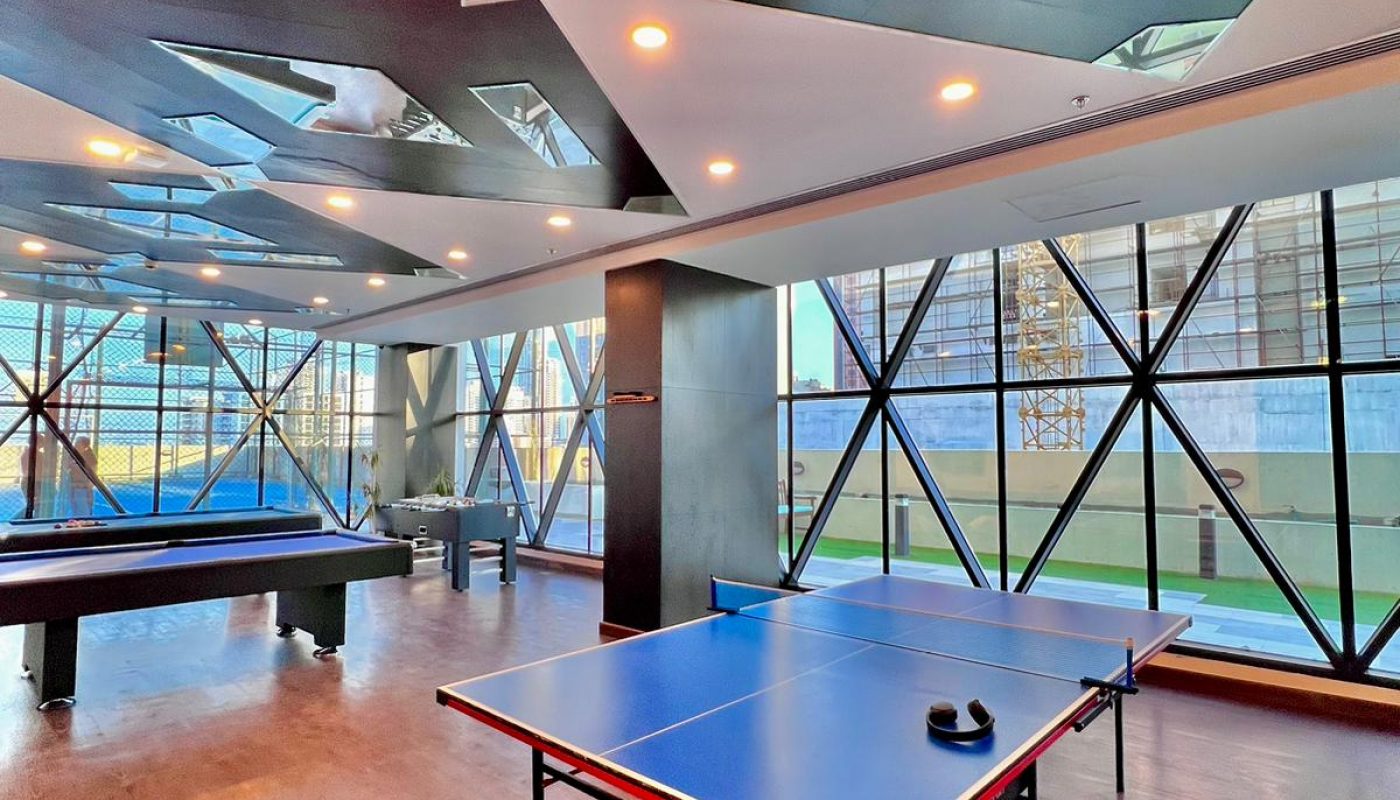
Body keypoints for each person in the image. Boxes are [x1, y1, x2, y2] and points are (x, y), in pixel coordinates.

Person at [67, 436, 96, 517]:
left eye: (78, 443)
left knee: (83, 509)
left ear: (84, 446)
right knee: (74, 508)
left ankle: (84, 523)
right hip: (73, 485)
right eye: (75, 442)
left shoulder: (89, 457)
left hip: (83, 486)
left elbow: (93, 472)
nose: (75, 444)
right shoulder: (72, 454)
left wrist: (89, 483)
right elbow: (67, 467)